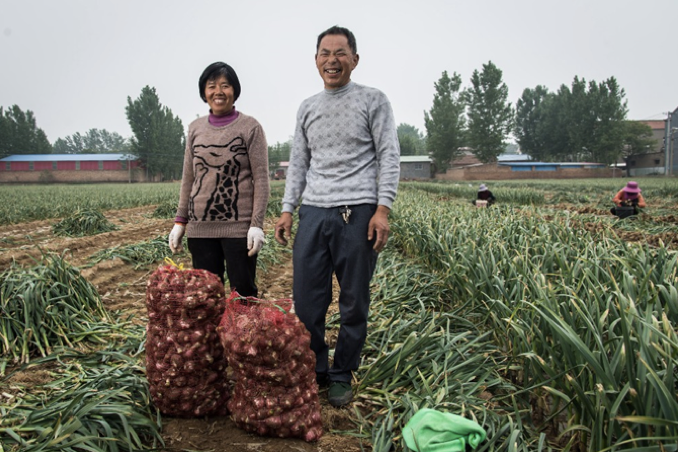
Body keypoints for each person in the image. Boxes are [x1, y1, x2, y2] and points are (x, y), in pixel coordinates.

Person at [274, 25, 400, 407]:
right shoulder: (308, 107)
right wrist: (286, 210)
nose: (332, 60)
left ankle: (343, 372)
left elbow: (389, 156)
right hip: (314, 212)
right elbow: (299, 163)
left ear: (355, 60)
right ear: (315, 61)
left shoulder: (373, 100)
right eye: (325, 54)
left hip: (358, 212)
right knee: (308, 300)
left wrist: (382, 209)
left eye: (340, 53)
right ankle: (316, 368)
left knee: (353, 300)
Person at [168, 62, 270, 297]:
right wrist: (180, 221)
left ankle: (243, 334)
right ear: (204, 92)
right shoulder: (195, 129)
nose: (218, 92)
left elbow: (261, 180)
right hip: (200, 230)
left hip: (238, 230)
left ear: (235, 91)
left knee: (243, 293)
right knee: (205, 297)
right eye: (211, 86)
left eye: (225, 85)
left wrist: (256, 225)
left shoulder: (250, 127)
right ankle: (213, 335)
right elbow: (188, 178)